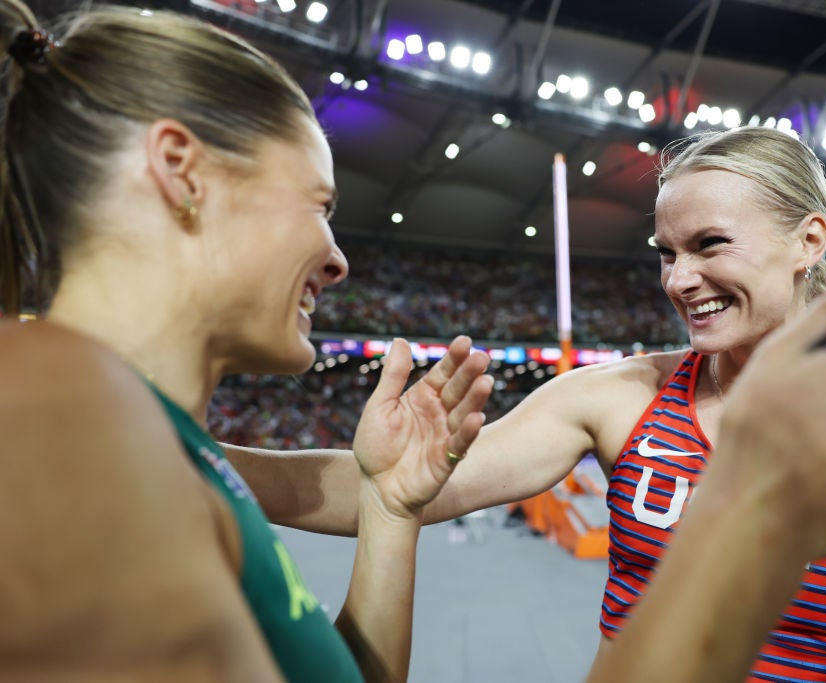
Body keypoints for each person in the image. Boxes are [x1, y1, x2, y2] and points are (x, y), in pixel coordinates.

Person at [224, 129, 826, 681]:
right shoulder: (622, 398)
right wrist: (188, 456)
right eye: (666, 253)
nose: (678, 279)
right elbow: (393, 491)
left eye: (709, 244)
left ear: (809, 240)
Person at [0, 4, 493, 682]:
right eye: (320, 206)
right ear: (182, 170)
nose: (337, 260)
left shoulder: (159, 440)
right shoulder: (54, 436)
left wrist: (388, 506)